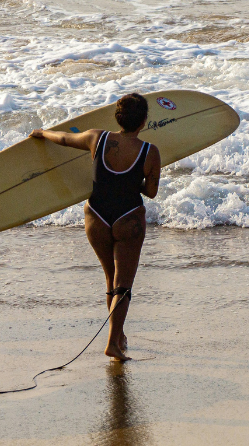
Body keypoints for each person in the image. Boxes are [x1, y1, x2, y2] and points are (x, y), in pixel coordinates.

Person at [30, 93, 160, 361]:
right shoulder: (149, 152)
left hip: (96, 217)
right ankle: (113, 343)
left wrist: (43, 132)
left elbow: (65, 138)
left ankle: (119, 336)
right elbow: (151, 191)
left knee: (110, 279)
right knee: (123, 286)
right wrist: (132, 181)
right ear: (144, 121)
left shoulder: (96, 138)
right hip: (128, 218)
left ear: (117, 117)